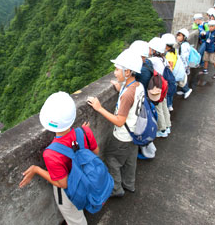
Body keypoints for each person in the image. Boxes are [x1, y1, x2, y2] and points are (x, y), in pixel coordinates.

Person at [19, 91, 98, 225]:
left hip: (70, 192)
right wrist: (84, 133)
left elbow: (63, 184)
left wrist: (36, 170)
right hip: (87, 178)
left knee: (75, 220)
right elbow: (95, 153)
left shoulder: (51, 153)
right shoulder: (85, 131)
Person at [87, 49, 143, 197]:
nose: (115, 72)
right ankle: (129, 184)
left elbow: (119, 121)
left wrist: (99, 108)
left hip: (123, 136)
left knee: (112, 160)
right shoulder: (137, 86)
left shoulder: (127, 94)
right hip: (134, 132)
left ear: (128, 72)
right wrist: (120, 87)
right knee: (130, 161)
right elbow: (130, 99)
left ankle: (116, 189)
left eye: (118, 69)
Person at [148, 37, 172, 138]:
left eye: (150, 48)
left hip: (158, 87)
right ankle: (167, 126)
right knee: (164, 107)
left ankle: (162, 130)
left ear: (154, 50)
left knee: (158, 108)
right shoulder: (163, 59)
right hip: (164, 85)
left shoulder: (153, 60)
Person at [174, 28, 192, 99]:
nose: (178, 37)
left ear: (184, 37)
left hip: (183, 65)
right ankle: (184, 90)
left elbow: (184, 57)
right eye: (177, 35)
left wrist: (183, 66)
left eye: (179, 36)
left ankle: (187, 90)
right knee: (183, 78)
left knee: (181, 79)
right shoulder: (184, 44)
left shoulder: (184, 46)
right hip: (184, 65)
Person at [162, 33, 178, 111]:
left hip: (169, 74)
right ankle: (170, 104)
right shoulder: (174, 51)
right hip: (172, 73)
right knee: (171, 90)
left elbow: (170, 65)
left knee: (168, 91)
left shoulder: (168, 54)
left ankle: (169, 105)